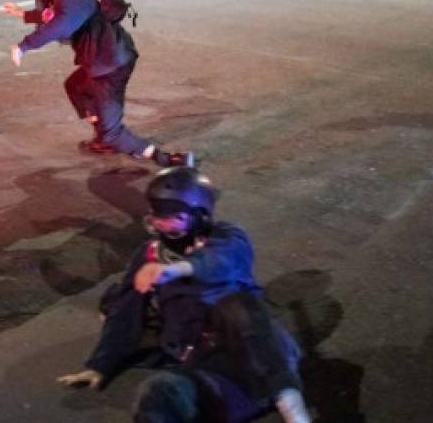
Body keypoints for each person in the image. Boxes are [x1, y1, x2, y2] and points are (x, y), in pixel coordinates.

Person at [57, 167, 312, 423]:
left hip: (256, 357)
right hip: (210, 373)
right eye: (158, 215)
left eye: (174, 216)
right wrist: (100, 365)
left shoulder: (226, 237)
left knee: (238, 307)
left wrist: (174, 271)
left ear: (199, 216)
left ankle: (293, 410)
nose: (162, 223)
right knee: (159, 390)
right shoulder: (150, 254)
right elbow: (125, 311)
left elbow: (221, 261)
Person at [3, 0, 192, 167]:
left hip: (110, 67)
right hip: (107, 59)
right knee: (75, 86)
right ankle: (102, 135)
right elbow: (52, 16)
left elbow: (59, 26)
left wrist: (24, 46)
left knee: (112, 132)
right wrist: (21, 13)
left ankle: (165, 159)